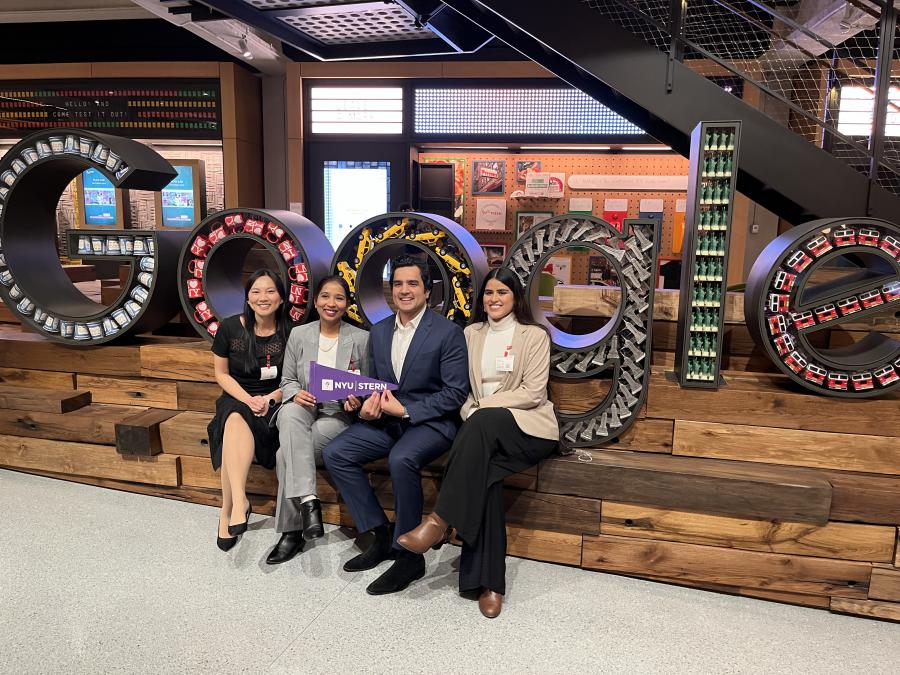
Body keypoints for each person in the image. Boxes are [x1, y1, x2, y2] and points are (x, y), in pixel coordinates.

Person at [397, 267, 559, 619]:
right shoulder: (470, 333)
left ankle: (440, 520)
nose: (494, 299)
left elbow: (532, 393)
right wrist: (474, 409)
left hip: (527, 428)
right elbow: (461, 388)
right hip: (479, 432)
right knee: (487, 480)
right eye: (489, 292)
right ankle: (489, 584)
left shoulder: (534, 336)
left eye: (502, 292)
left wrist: (481, 408)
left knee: (484, 422)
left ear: (515, 297)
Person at [323, 255, 469, 595]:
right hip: (388, 422)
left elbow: (455, 393)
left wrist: (406, 410)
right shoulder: (380, 330)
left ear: (427, 290)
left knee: (402, 458)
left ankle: (409, 557)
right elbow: (375, 382)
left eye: (412, 283)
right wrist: (363, 404)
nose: (404, 291)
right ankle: (380, 533)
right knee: (336, 452)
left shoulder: (448, 333)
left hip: (432, 423)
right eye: (398, 284)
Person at [266, 276, 370, 565]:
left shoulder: (361, 339)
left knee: (283, 453)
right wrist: (295, 393)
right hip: (303, 408)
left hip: (336, 414)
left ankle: (292, 531)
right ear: (316, 301)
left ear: (347, 304)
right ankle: (309, 500)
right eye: (325, 297)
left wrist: (356, 400)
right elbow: (286, 379)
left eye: (338, 298)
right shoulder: (300, 335)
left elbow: (367, 388)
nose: (331, 304)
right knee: (288, 412)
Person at [207, 269, 288, 552]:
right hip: (236, 394)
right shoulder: (230, 328)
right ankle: (238, 501)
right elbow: (222, 374)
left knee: (234, 425)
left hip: (274, 401)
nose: (262, 298)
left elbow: (294, 378)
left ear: (281, 297)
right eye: (255, 291)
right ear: (247, 297)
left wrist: (268, 398)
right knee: (233, 415)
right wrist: (248, 398)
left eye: (270, 291)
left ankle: (228, 511)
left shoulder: (290, 331)